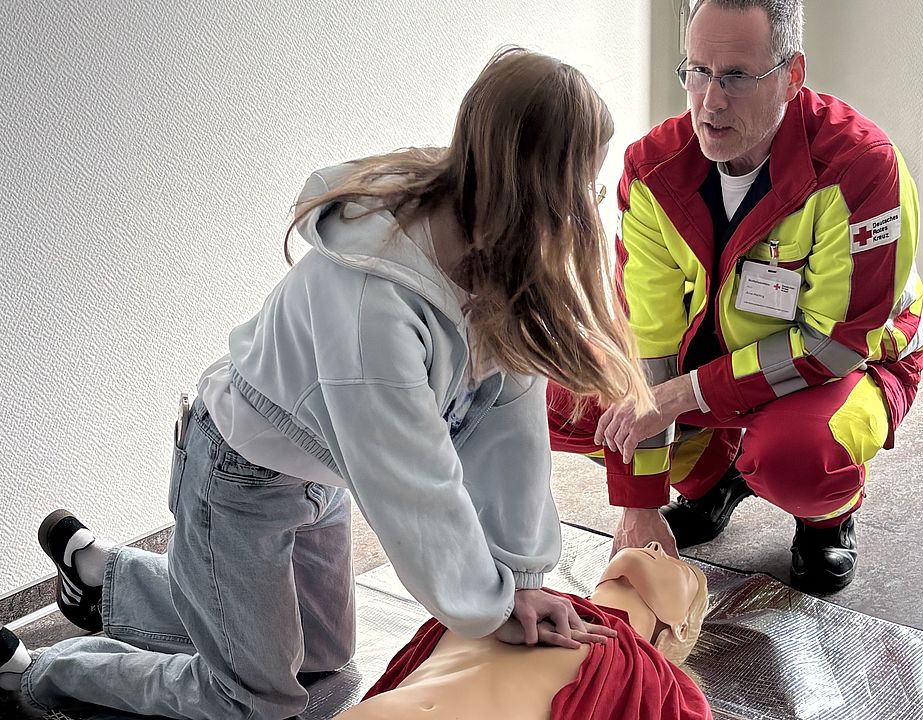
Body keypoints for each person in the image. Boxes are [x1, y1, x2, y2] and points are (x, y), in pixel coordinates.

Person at [0, 47, 652, 719]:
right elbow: (415, 488)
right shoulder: (377, 304)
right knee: (257, 701)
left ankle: (102, 578)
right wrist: (490, 609)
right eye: (583, 183)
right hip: (238, 479)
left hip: (319, 473)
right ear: (538, 184)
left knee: (323, 663)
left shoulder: (491, 239)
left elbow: (508, 420)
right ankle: (35, 676)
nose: (584, 205)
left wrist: (520, 576)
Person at [548, 0, 923, 594]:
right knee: (566, 399)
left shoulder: (860, 169)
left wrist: (682, 396)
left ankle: (825, 519)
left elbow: (833, 345)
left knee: (794, 452)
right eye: (697, 71)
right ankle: (712, 480)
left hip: (847, 365)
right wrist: (641, 503)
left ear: (792, 75)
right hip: (718, 355)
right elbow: (647, 335)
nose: (710, 101)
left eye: (735, 77)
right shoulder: (653, 169)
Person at [336, 542, 711, 720]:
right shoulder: (501, 600)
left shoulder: (654, 683)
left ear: (677, 629)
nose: (656, 546)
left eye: (682, 568)